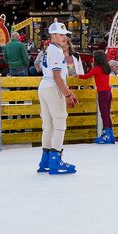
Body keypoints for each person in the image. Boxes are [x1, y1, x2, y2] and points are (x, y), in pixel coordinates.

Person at [37, 20, 78, 175]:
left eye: (65, 35)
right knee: (60, 123)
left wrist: (68, 92)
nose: (64, 37)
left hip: (44, 87)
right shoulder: (56, 51)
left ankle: (45, 160)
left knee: (48, 125)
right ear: (53, 35)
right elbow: (57, 76)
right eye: (61, 34)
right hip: (53, 88)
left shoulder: (49, 49)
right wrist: (67, 94)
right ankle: (55, 161)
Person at [85, 47, 118, 144]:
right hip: (108, 93)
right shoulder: (106, 69)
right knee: (107, 114)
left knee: (104, 114)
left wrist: (78, 76)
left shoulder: (96, 69)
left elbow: (87, 76)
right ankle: (110, 135)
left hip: (102, 94)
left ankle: (106, 135)